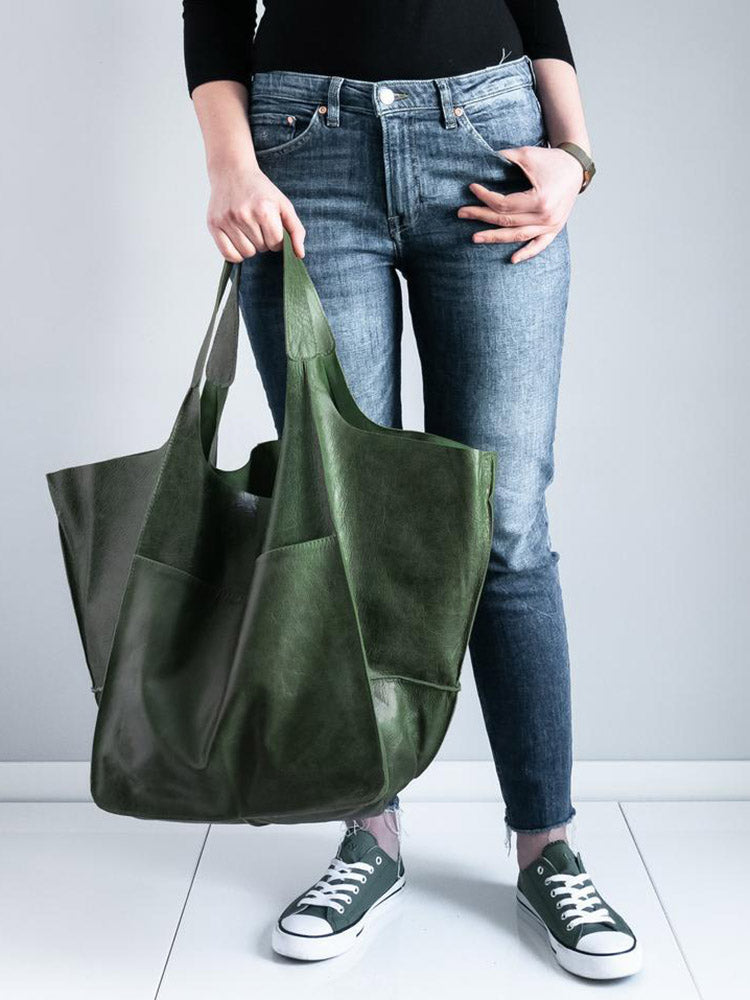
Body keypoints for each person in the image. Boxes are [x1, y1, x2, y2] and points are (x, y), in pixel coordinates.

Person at [182, 0, 641, 979]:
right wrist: (229, 163)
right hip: (302, 152)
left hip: (489, 146)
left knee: (506, 523)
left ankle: (547, 849)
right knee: (348, 521)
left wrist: (575, 155)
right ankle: (369, 836)